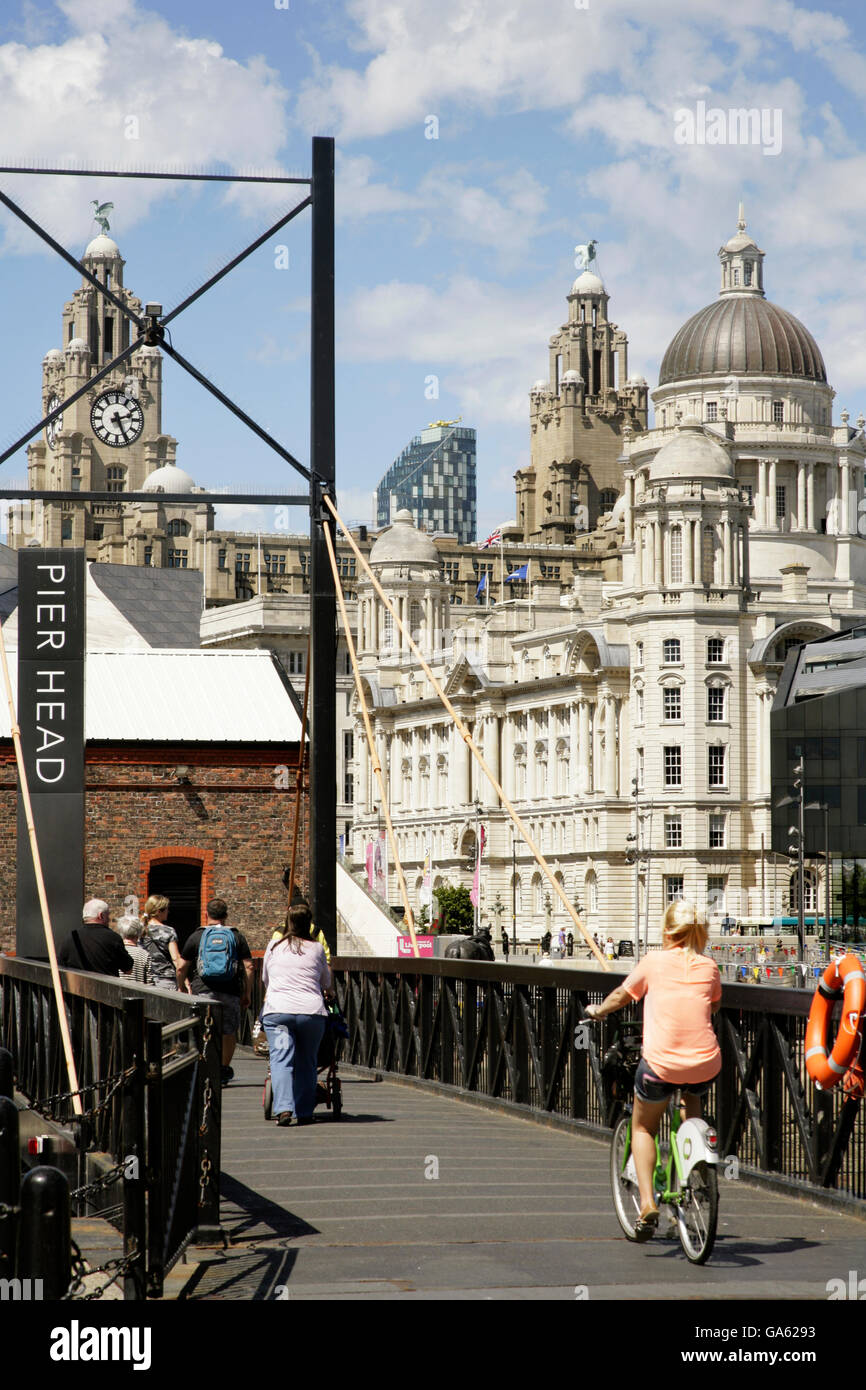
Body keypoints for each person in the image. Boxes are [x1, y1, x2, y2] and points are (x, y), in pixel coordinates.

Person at [584, 900, 721, 1241]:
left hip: (661, 1065)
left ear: (667, 930)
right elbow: (714, 1003)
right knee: (692, 1105)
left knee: (644, 1127)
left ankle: (647, 1204)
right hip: (706, 1062)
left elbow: (622, 995)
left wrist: (599, 1011)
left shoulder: (654, 962)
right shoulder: (710, 967)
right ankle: (695, 1168)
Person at [261, 902, 333, 1127]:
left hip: (279, 1013)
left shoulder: (274, 946)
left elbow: (266, 979)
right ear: (310, 924)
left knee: (281, 1059)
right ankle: (304, 1111)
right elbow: (326, 982)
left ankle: (283, 1109)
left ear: (288, 923)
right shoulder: (317, 949)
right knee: (307, 1061)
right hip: (310, 1014)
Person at [178, 899, 254, 1086]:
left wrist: (181, 988)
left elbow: (181, 967)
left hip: (202, 990)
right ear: (226, 916)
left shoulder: (197, 936)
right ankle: (223, 1069)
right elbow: (249, 967)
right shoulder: (236, 936)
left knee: (204, 1029)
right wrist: (247, 993)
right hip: (230, 991)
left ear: (206, 914)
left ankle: (205, 1067)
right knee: (229, 1031)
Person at [59, 900, 134, 978]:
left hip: (76, 988)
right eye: (108, 915)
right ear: (101, 915)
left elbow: (61, 967)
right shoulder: (113, 938)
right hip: (106, 989)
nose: (109, 919)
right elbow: (128, 969)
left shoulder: (71, 937)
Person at [140, 895, 183, 992]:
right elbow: (176, 959)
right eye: (167, 909)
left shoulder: (139, 929)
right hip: (165, 979)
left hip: (144, 978)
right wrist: (184, 981)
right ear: (159, 911)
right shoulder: (168, 931)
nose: (168, 912)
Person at [118, 916, 152, 984]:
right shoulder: (144, 954)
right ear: (139, 932)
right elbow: (149, 982)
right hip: (137, 994)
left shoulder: (115, 951)